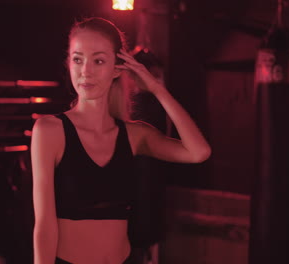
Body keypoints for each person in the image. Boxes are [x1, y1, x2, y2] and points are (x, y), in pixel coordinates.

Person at [30, 17, 211, 264]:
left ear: (118, 67)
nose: (86, 71)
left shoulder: (135, 135)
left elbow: (198, 152)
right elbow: (44, 226)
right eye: (77, 59)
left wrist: (157, 89)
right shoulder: (50, 130)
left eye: (99, 60)